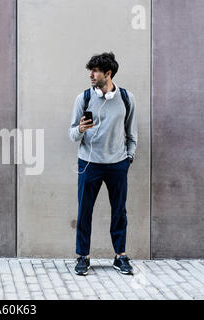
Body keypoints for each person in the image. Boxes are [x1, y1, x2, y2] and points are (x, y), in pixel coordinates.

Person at [68, 52, 138, 276]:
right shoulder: (84, 98)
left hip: (117, 164)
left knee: (119, 212)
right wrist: (80, 129)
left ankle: (120, 256)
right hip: (89, 163)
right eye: (91, 70)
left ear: (108, 74)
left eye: (96, 71)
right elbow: (71, 135)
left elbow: (131, 133)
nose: (91, 75)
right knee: (84, 211)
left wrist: (129, 158)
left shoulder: (127, 98)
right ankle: (83, 256)